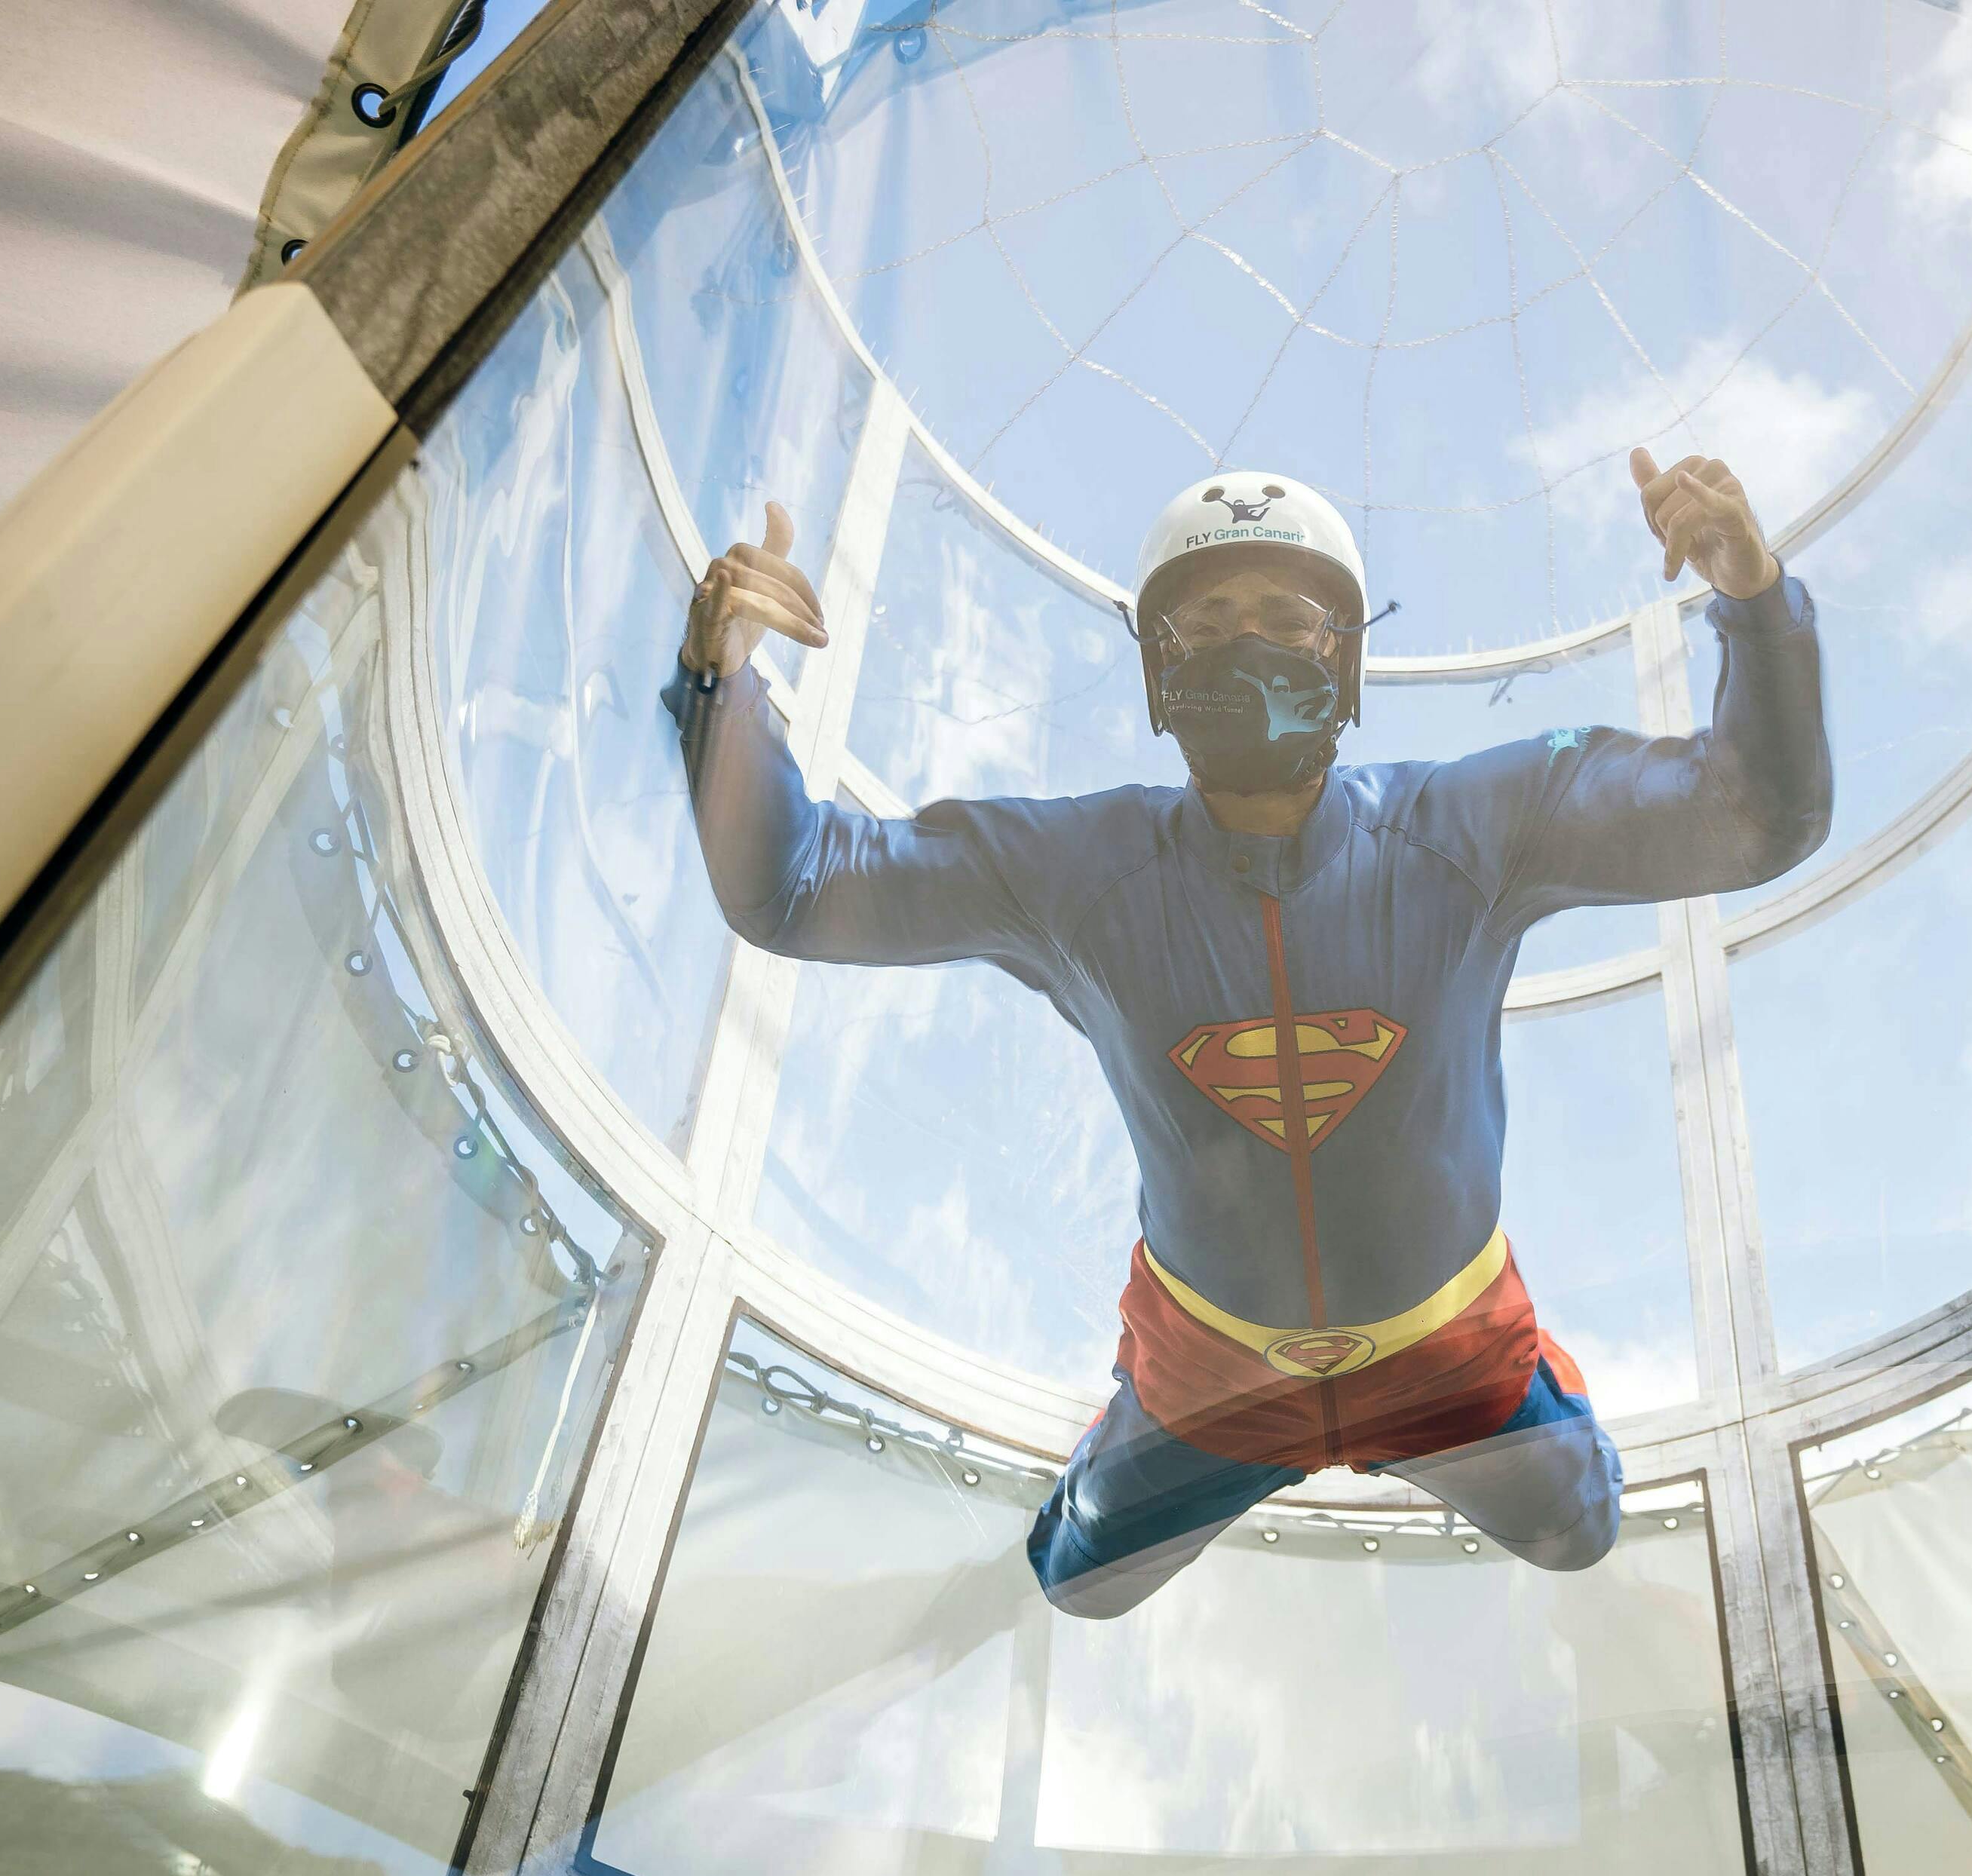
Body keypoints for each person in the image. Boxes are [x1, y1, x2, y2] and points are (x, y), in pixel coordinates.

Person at [676, 450, 1830, 1616]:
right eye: (1211, 618)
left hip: (1453, 1355)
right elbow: (794, 887)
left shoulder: (1479, 824)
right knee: (1077, 1584)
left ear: (1347, 655)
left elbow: (1757, 819)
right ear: (1160, 669)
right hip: (1208, 1375)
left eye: (1291, 615)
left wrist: (1754, 596)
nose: (1250, 642)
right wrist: (722, 683)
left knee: (1582, 1531)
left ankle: (1519, 1372)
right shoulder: (1076, 872)